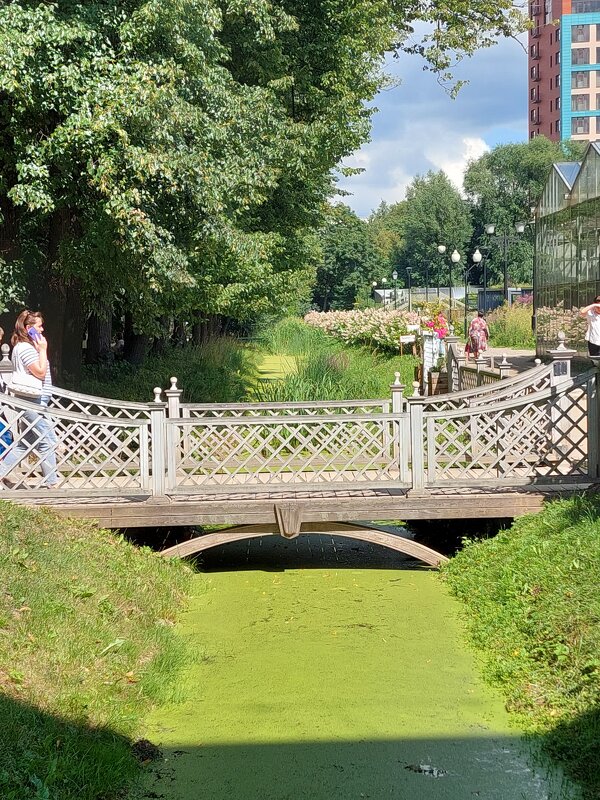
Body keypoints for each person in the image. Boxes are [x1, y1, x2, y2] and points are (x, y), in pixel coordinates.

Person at [0, 310, 59, 488]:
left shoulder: (25, 347)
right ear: (28, 328)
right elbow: (40, 373)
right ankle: (52, 483)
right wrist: (43, 349)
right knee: (48, 440)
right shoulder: (25, 348)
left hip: (36, 401)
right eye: (38, 327)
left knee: (26, 442)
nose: (41, 330)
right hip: (33, 402)